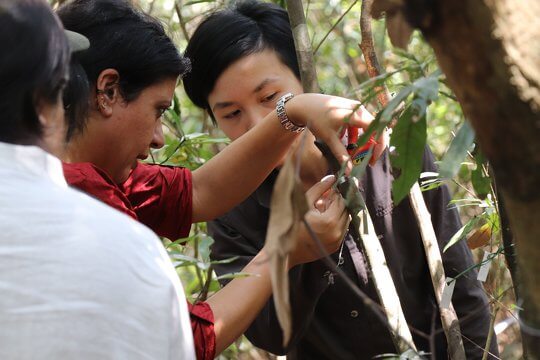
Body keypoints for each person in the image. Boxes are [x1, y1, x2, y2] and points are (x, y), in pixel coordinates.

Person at [57, 0, 382, 358]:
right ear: (108, 91)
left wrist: (293, 111)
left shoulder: (97, 178)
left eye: (271, 97)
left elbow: (199, 192)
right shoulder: (75, 196)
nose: (158, 139)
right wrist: (282, 250)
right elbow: (180, 342)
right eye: (158, 111)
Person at [183, 1, 499, 359]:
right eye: (233, 113)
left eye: (271, 98)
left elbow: (458, 278)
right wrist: (302, 253)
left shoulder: (385, 143)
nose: (258, 126)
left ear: (304, 78)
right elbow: (270, 334)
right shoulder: (228, 207)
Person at [0, 1, 195, 359]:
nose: (158, 139)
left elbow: (196, 191)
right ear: (46, 103)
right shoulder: (133, 251)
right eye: (64, 90)